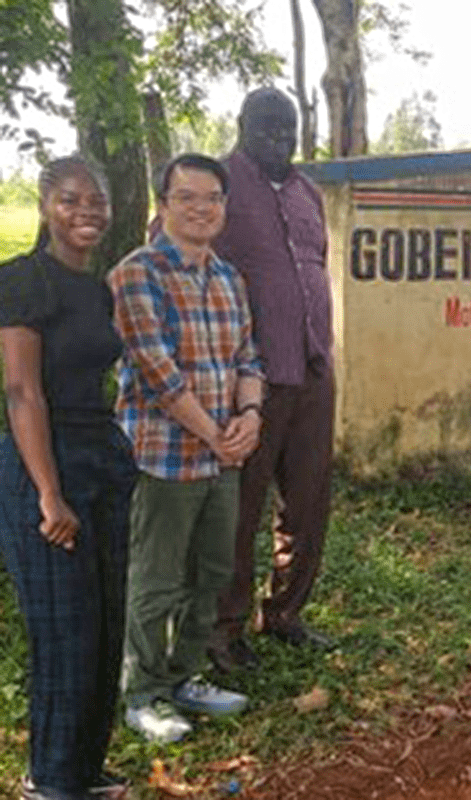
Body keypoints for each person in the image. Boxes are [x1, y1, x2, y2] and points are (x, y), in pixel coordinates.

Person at [109, 153, 265, 742]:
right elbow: (158, 374)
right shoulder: (136, 274)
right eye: (187, 197)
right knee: (156, 579)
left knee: (211, 572)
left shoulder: (228, 278)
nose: (202, 208)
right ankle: (143, 693)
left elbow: (247, 358)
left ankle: (184, 677)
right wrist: (220, 438)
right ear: (163, 204)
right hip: (163, 459)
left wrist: (249, 415)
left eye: (213, 198)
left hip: (221, 456)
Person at [0, 156, 135, 800]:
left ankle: (85, 770)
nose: (87, 212)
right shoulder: (23, 281)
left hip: (102, 458)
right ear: (46, 205)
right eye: (71, 200)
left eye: (98, 201)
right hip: (42, 465)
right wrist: (49, 493)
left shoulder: (96, 286)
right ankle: (49, 781)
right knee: (63, 629)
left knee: (106, 622)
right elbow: (23, 392)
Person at [210, 86, 336, 672]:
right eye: (266, 130)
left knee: (309, 504)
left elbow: (313, 268)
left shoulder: (308, 192)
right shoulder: (219, 188)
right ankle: (223, 630)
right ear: (241, 127)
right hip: (250, 382)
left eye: (287, 131)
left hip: (312, 371)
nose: (279, 141)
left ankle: (284, 612)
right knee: (241, 511)